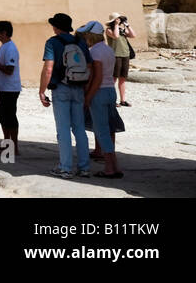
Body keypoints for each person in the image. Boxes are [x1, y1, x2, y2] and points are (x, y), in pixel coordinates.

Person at [40, 11, 96, 178]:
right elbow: (90, 67)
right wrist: (85, 88)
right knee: (79, 128)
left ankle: (65, 167)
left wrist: (41, 91)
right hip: (78, 87)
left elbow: (48, 68)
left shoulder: (52, 42)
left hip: (61, 88)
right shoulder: (80, 42)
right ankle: (84, 167)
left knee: (63, 129)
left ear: (56, 27)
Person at [79, 20, 123, 179]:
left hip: (99, 93)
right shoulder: (108, 49)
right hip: (110, 91)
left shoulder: (95, 52)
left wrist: (88, 97)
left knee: (102, 131)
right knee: (108, 129)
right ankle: (114, 166)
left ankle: (110, 168)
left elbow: (96, 77)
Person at [0, 20, 20, 158]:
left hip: (10, 88)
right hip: (3, 87)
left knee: (9, 116)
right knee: (2, 114)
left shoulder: (10, 48)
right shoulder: (4, 46)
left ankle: (13, 147)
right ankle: (7, 142)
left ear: (4, 33)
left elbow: (10, 69)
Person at [106, 13, 135, 107]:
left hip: (125, 54)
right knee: (114, 78)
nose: (119, 20)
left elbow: (133, 35)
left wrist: (127, 25)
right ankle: (111, 100)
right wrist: (116, 25)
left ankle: (123, 100)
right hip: (115, 55)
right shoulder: (109, 30)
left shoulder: (122, 29)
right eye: (117, 19)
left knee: (122, 78)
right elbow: (116, 36)